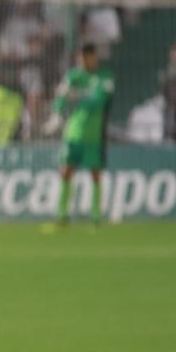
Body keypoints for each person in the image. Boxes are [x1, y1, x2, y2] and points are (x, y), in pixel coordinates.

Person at [46, 44, 114, 227]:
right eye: (81, 58)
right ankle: (62, 213)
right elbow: (61, 97)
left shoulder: (104, 77)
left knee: (95, 172)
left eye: (87, 58)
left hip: (94, 134)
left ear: (94, 57)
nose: (84, 61)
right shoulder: (73, 76)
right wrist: (56, 114)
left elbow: (100, 100)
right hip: (73, 132)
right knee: (66, 170)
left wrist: (75, 97)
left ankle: (96, 215)